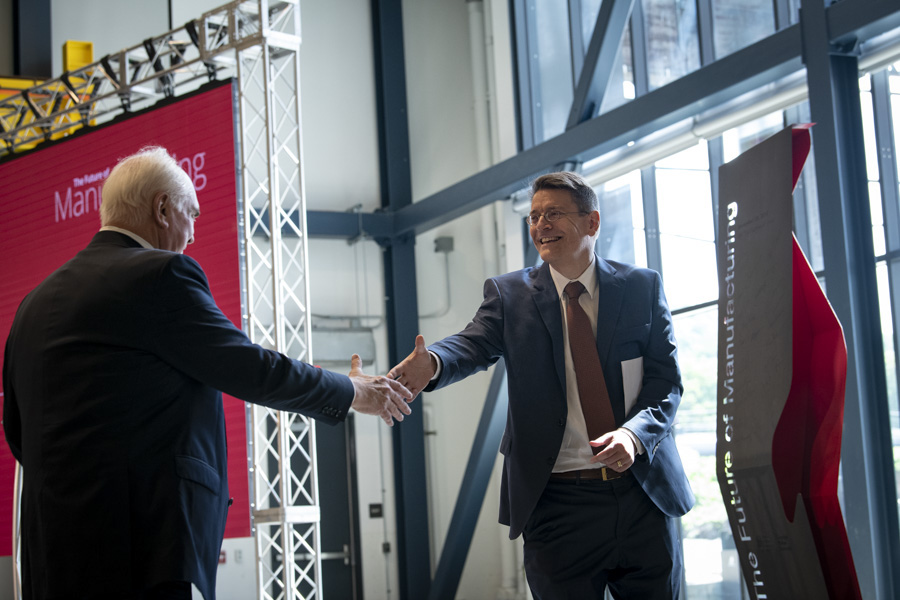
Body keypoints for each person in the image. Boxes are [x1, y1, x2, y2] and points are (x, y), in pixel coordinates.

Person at [2, 146, 413, 600]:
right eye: (190, 214)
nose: (194, 234)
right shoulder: (160, 275)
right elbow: (252, 368)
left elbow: (19, 433)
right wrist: (351, 391)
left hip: (51, 559)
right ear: (161, 208)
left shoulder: (31, 306)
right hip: (142, 554)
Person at [389, 171, 694, 599]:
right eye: (533, 217)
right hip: (557, 506)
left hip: (643, 495)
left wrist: (633, 435)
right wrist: (435, 362)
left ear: (592, 222)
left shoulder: (641, 287)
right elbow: (471, 345)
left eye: (553, 214)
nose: (540, 225)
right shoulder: (509, 295)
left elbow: (666, 384)